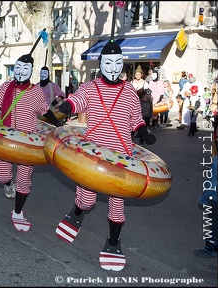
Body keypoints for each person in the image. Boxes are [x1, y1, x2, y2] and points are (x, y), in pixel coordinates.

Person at [56, 40, 156, 271]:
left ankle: (113, 242)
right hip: (93, 154)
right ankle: (77, 212)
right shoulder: (90, 87)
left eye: (118, 63)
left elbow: (135, 117)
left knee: (117, 203)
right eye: (108, 63)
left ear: (122, 65)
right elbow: (79, 99)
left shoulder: (129, 90)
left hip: (120, 156)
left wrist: (143, 131)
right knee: (87, 197)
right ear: (101, 64)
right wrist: (69, 105)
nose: (113, 68)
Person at [0, 44, 62, 233]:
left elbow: (45, 110)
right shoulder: (6, 86)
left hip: (27, 142)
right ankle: (9, 183)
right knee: (2, 176)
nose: (20, 71)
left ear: (31, 71)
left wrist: (57, 125)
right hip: (6, 140)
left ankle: (18, 212)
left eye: (25, 69)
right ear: (14, 69)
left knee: (24, 179)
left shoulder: (36, 91)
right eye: (18, 68)